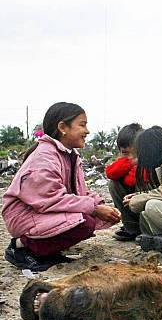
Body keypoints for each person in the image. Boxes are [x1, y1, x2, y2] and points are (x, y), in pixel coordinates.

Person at [2, 102, 121, 271]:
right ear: (63, 127)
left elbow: (80, 191)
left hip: (41, 211)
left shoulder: (70, 155)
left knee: (89, 218)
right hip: (25, 214)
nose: (87, 131)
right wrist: (94, 208)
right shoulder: (44, 157)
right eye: (82, 125)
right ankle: (21, 247)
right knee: (84, 222)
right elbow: (50, 199)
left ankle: (46, 252)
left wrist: (100, 205)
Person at [105, 123, 143, 241]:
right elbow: (110, 173)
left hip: (149, 204)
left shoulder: (149, 159)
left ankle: (146, 227)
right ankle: (131, 228)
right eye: (125, 153)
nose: (130, 156)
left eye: (134, 152)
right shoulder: (127, 160)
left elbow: (132, 180)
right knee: (113, 183)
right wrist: (130, 162)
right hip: (132, 205)